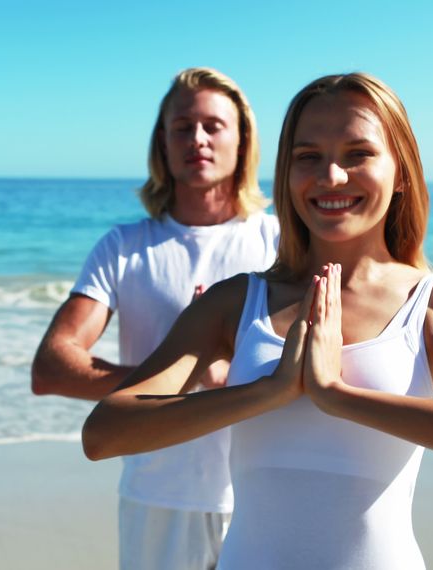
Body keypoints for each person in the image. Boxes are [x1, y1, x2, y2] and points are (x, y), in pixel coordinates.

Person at [82, 72, 433, 569]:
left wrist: (339, 396)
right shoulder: (236, 302)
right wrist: (265, 393)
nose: (331, 177)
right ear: (286, 175)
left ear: (401, 172)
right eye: (308, 157)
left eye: (358, 154)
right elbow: (105, 434)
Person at [31, 67, 279, 569]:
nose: (198, 139)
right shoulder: (124, 247)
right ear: (162, 143)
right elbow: (52, 367)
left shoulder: (279, 244)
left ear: (243, 140)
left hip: (266, 493)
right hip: (158, 494)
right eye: (182, 126)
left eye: (213, 125)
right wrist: (178, 380)